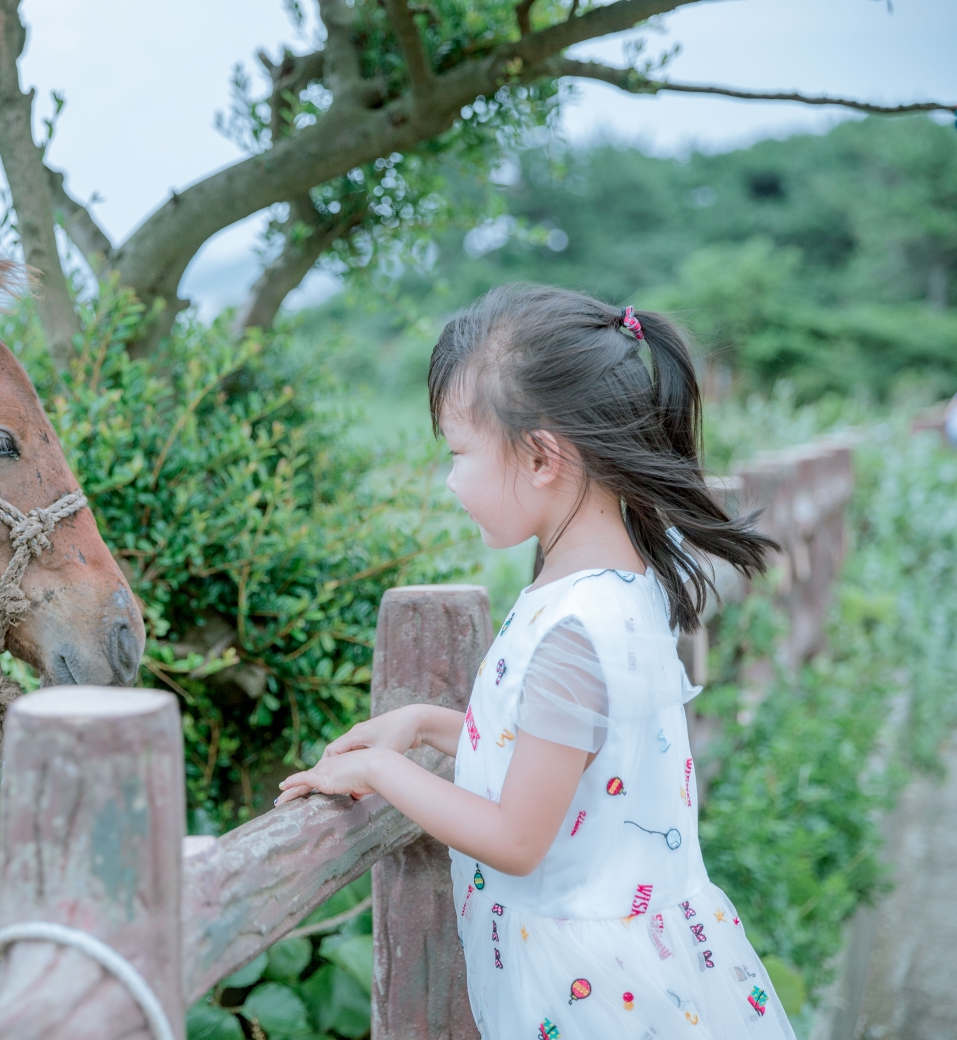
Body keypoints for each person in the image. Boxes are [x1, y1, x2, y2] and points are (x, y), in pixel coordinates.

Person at [277, 285, 794, 1039]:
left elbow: (519, 838)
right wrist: (425, 723)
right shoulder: (618, 584)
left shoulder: (573, 631)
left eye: (458, 454)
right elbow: (572, 759)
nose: (451, 481)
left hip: (591, 998)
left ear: (542, 456)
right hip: (632, 971)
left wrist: (382, 773)